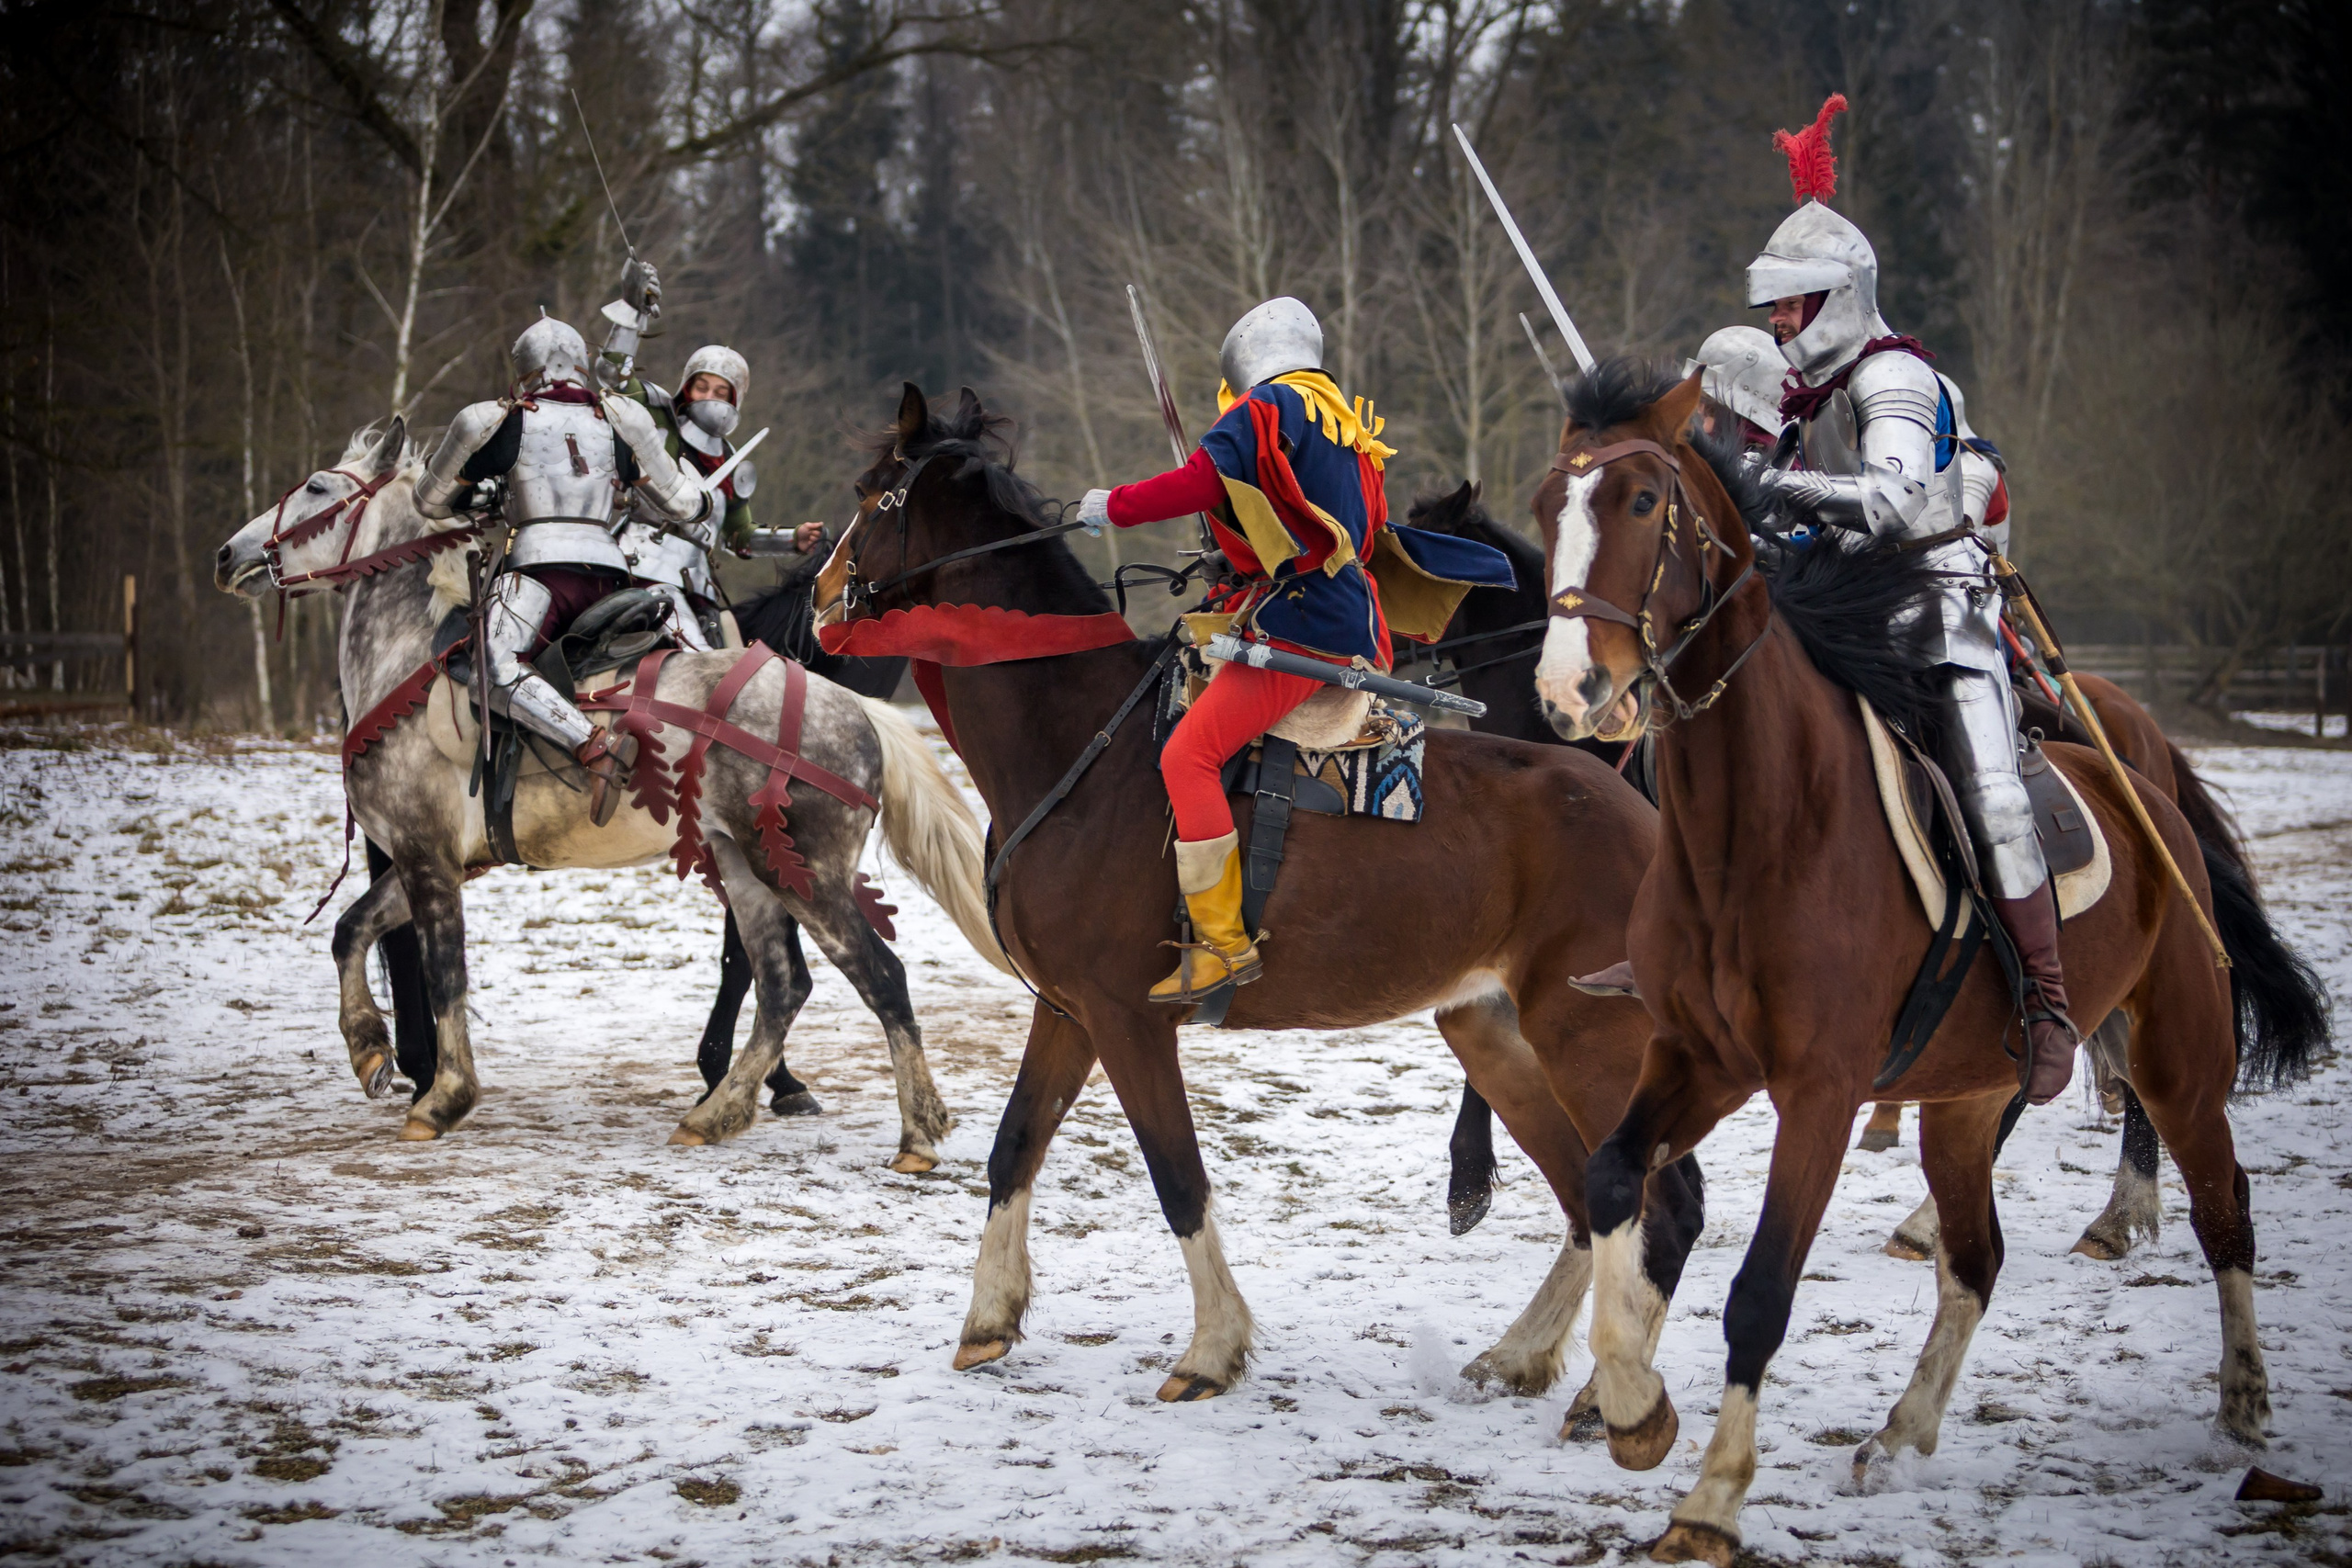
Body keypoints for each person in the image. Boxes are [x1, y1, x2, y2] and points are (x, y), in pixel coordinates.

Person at [1747, 95, 2078, 1103]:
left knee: (1988, 794)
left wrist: (1763, 484)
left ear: (1836, 297)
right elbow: (1809, 523)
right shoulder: (1806, 403)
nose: (1775, 321)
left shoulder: (1892, 379)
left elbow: (1891, 501)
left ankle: (2046, 1001)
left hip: (1938, 616)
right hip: (1840, 616)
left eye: (1789, 304)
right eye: (1771, 306)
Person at [1075, 297, 1515, 1003]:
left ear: (1244, 365)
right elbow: (1331, 532)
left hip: (1306, 625)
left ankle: (1222, 944)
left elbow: (1197, 483)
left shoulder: (1263, 411)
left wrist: (1113, 505)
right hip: (1346, 615)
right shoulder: (1342, 422)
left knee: (1185, 755)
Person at [414, 314, 715, 826]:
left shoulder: (496, 418)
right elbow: (686, 506)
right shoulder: (621, 417)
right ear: (580, 364)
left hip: (539, 572)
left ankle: (594, 748)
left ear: (525, 370)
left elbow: (430, 501)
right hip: (610, 576)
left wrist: (487, 492)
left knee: (493, 671)